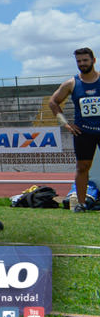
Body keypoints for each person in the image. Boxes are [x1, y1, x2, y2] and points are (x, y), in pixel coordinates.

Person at [48, 47, 100, 213]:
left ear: (93, 60)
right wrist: (66, 124)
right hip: (83, 132)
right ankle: (82, 204)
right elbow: (53, 102)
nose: (82, 64)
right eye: (79, 61)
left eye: (85, 60)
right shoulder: (71, 83)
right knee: (82, 167)